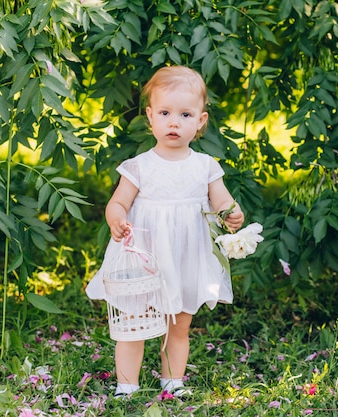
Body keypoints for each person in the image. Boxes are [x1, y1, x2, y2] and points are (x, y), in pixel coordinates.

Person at [86, 65, 244, 397]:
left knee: (180, 323)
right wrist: (116, 219)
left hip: (185, 256)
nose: (174, 122)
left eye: (185, 114)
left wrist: (232, 215)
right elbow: (118, 203)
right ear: (150, 117)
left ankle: (172, 381)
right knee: (134, 323)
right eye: (165, 112)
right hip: (145, 258)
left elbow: (222, 201)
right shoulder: (139, 166)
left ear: (200, 122)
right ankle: (127, 384)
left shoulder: (205, 166)